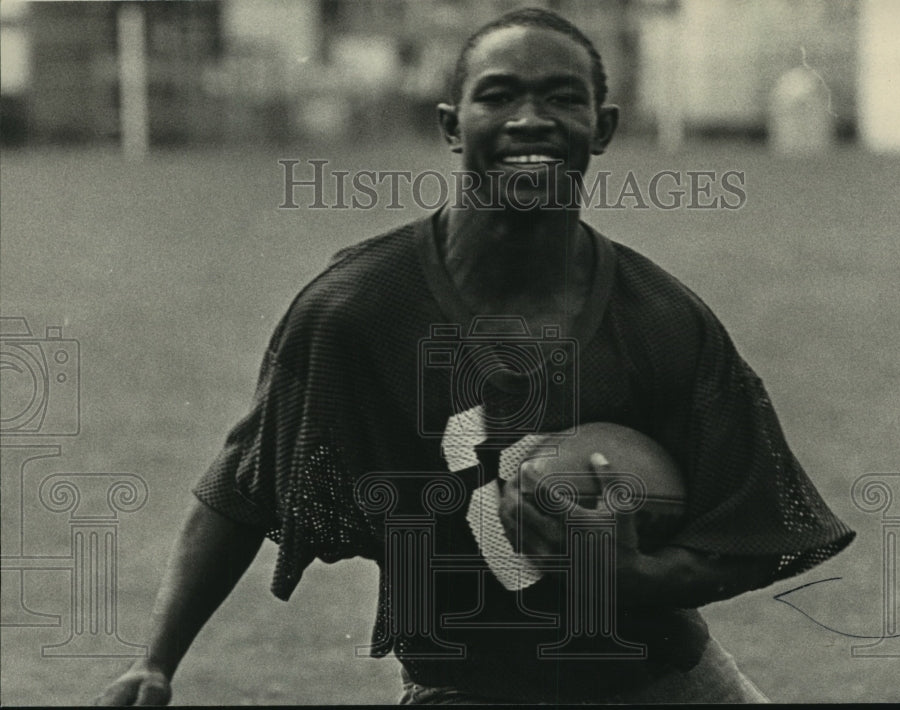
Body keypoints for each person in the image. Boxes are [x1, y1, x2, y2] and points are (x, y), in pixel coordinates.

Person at [95, 7, 854, 706]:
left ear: (603, 126)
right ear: (454, 125)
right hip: (465, 688)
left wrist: (630, 575)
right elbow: (241, 486)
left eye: (562, 97)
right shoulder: (359, 309)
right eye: (500, 96)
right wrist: (156, 660)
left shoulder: (660, 319)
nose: (531, 118)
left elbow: (753, 528)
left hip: (666, 678)